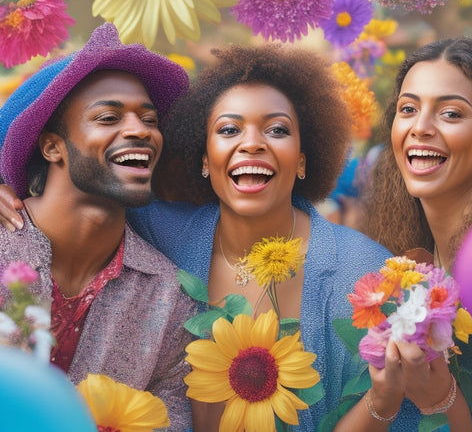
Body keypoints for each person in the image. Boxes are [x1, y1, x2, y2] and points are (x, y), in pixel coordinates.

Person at [0, 42, 393, 429]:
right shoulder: (156, 225)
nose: (139, 130)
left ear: (304, 158)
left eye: (276, 129)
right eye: (108, 118)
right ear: (204, 159)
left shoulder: (168, 288)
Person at [0, 22, 195, 431]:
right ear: (53, 146)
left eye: (149, 119)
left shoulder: (170, 299)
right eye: (108, 117)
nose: (141, 130)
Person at [334, 37, 472, 431]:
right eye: (408, 109)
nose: (420, 128)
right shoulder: (399, 269)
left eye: (451, 114)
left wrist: (441, 398)